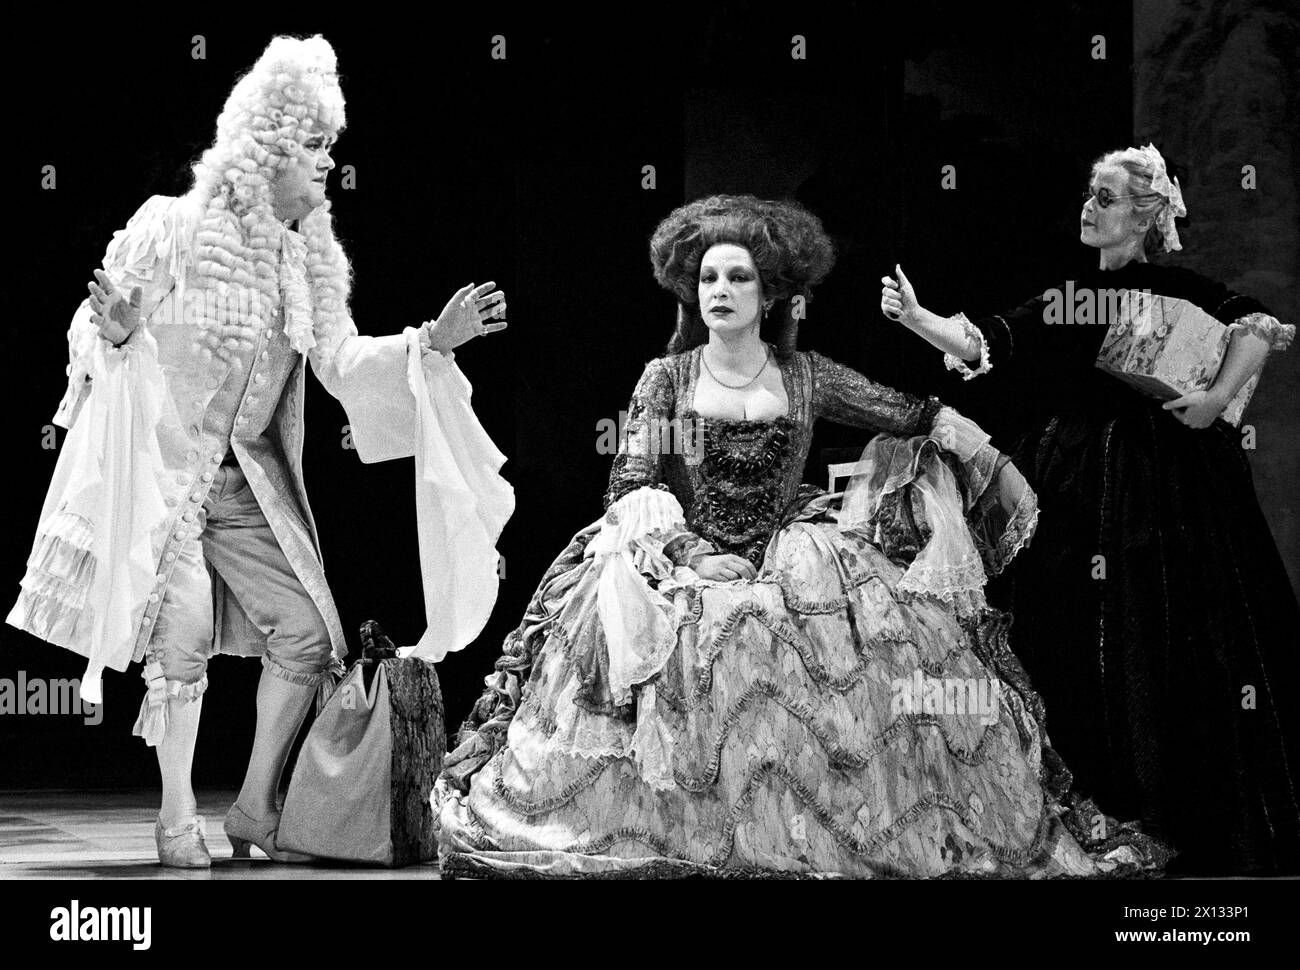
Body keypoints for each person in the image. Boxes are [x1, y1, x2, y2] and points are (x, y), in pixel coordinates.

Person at [434, 194, 1165, 878]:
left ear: (772, 292)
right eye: (708, 276)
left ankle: (818, 841)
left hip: (795, 554)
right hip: (686, 558)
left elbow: (910, 409)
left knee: (863, 657)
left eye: (739, 276)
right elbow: (629, 481)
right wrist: (690, 553)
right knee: (695, 643)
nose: (719, 289)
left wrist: (980, 453)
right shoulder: (667, 378)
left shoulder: (806, 375)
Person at [7, 35, 514, 868]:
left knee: (312, 635)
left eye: (330, 148)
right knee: (183, 638)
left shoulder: (307, 262)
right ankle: (177, 816)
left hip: (244, 481)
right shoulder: (173, 227)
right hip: (167, 475)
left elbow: (344, 363)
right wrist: (123, 334)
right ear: (267, 149)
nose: (327, 164)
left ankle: (250, 807)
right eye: (314, 148)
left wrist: (430, 342)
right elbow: (90, 331)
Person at [881, 144, 1299, 875]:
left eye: (1105, 197)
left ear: (1146, 211)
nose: (1088, 206)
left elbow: (1258, 326)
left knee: (1170, 628)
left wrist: (1207, 401)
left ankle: (1179, 813)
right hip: (1074, 477)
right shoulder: (1073, 295)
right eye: (1088, 193)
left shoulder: (1180, 286)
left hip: (1167, 482)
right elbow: (986, 340)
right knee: (1064, 627)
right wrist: (919, 319)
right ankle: (1091, 808)